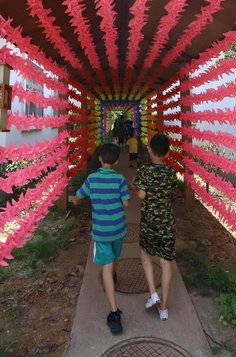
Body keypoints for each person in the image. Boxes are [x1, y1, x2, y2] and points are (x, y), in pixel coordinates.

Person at [73, 142, 131, 334]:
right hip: (118, 228)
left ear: (99, 158)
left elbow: (79, 197)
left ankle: (114, 313)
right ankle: (113, 276)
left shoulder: (91, 179)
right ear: (116, 161)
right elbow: (127, 203)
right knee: (116, 257)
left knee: (106, 266)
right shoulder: (120, 179)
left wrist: (75, 199)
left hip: (102, 231)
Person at [134, 133, 177, 321]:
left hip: (150, 222)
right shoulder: (171, 171)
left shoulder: (144, 170)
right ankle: (164, 308)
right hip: (167, 223)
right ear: (167, 152)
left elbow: (141, 195)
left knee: (145, 254)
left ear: (150, 149)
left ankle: (153, 293)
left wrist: (136, 189)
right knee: (166, 263)